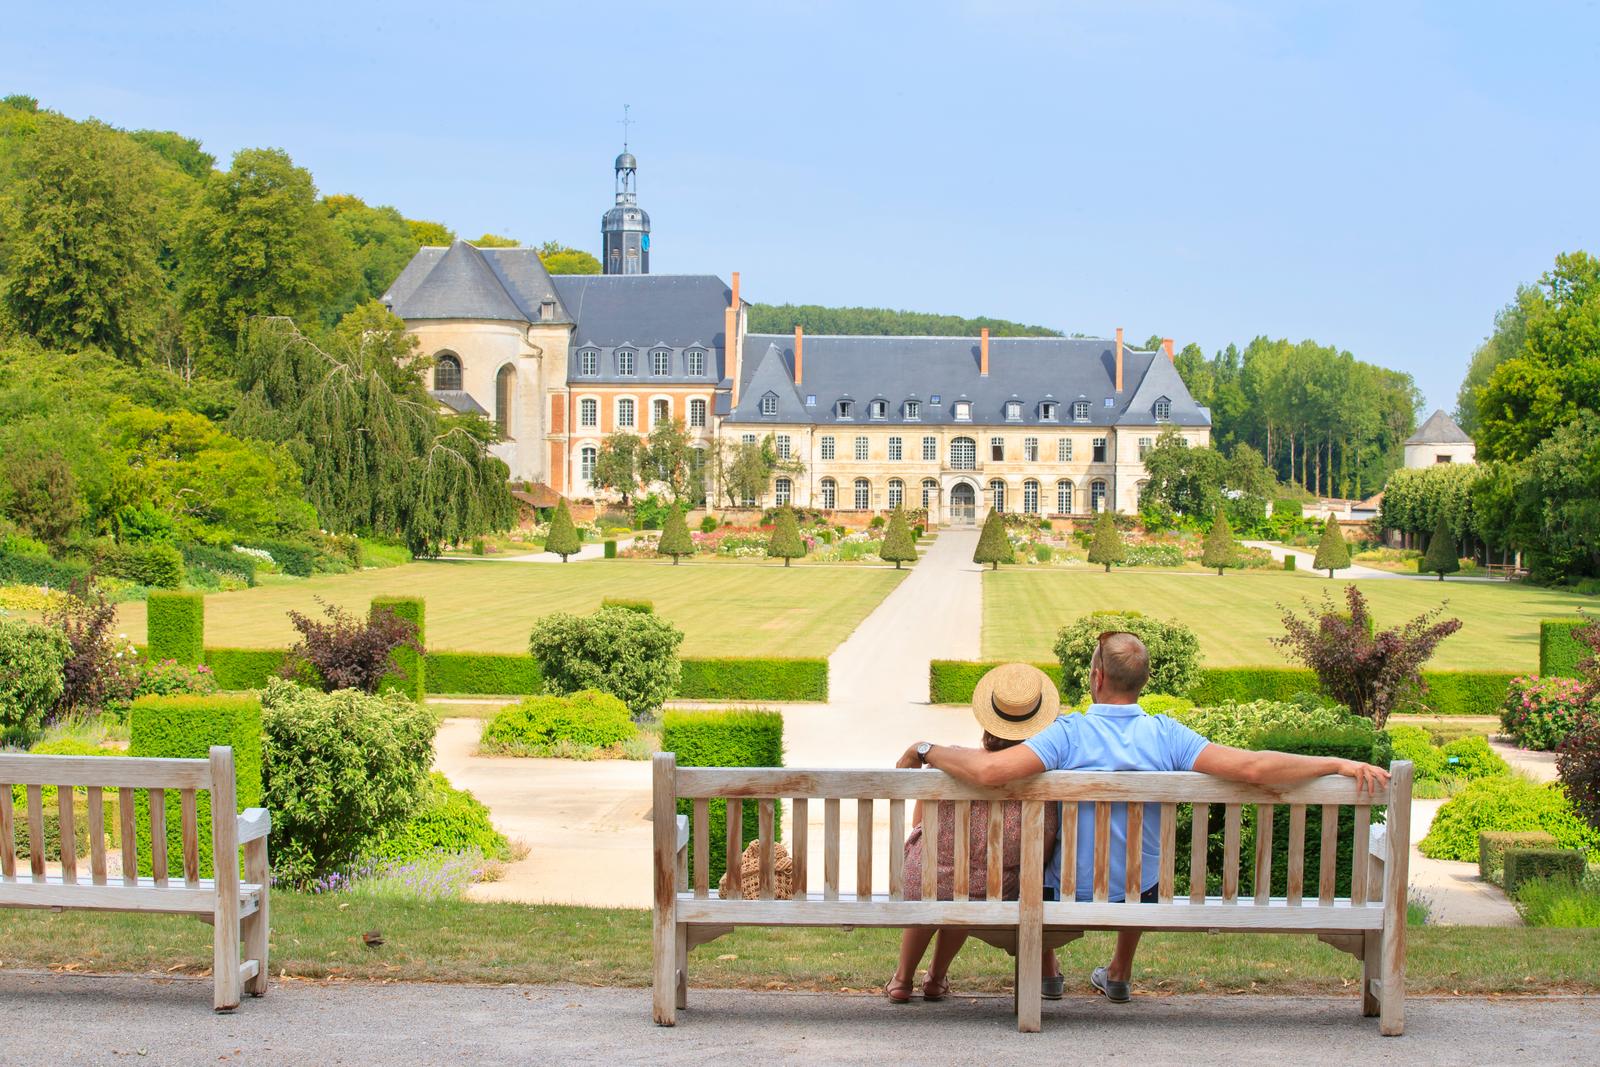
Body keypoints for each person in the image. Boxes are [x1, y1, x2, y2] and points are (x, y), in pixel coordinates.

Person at [897, 633, 1388, 1003]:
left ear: (1096, 678)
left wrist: (925, 748)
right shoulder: (1167, 736)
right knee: (1139, 860)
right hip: (1140, 891)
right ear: (1142, 682)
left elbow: (990, 771)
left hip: (1063, 892)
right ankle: (1119, 973)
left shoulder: (1067, 734)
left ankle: (1046, 972)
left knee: (1048, 858)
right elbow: (1255, 766)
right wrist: (1334, 763)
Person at [886, 663, 1062, 1003]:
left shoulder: (952, 763)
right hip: (995, 888)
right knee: (972, 884)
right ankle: (935, 977)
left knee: (941, 878)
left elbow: (918, 822)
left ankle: (902, 979)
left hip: (930, 879)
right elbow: (1045, 846)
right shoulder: (1045, 777)